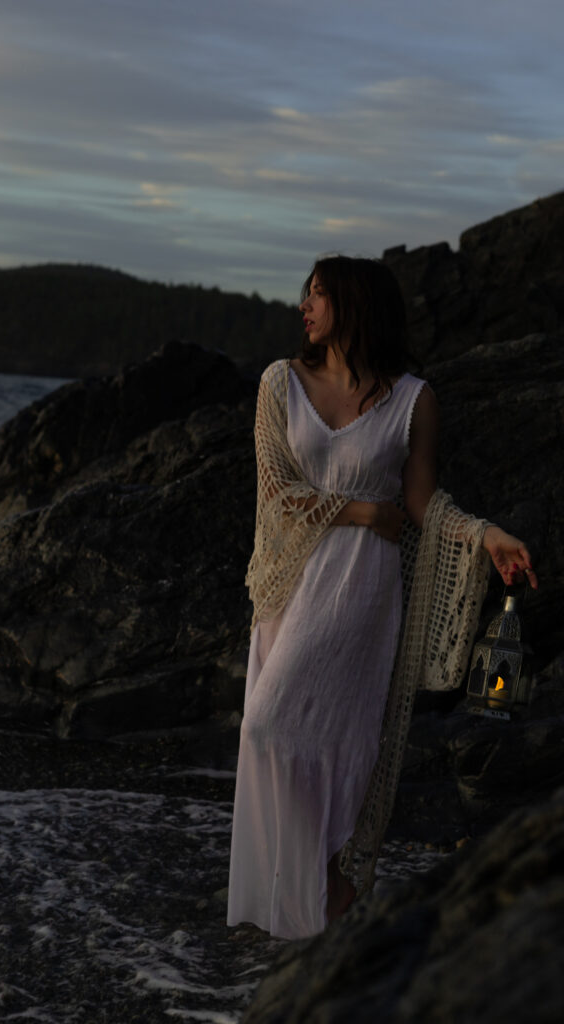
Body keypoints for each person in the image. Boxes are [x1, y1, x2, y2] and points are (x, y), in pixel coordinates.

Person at [226, 255, 537, 941]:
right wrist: (365, 512)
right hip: (292, 584)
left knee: (298, 731)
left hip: (361, 593)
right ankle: (312, 904)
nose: (305, 306)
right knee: (274, 733)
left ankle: (324, 891)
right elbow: (277, 490)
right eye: (306, 294)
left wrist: (486, 536)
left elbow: (422, 503)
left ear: (356, 304)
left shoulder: (413, 399)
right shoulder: (281, 383)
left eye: (319, 295)